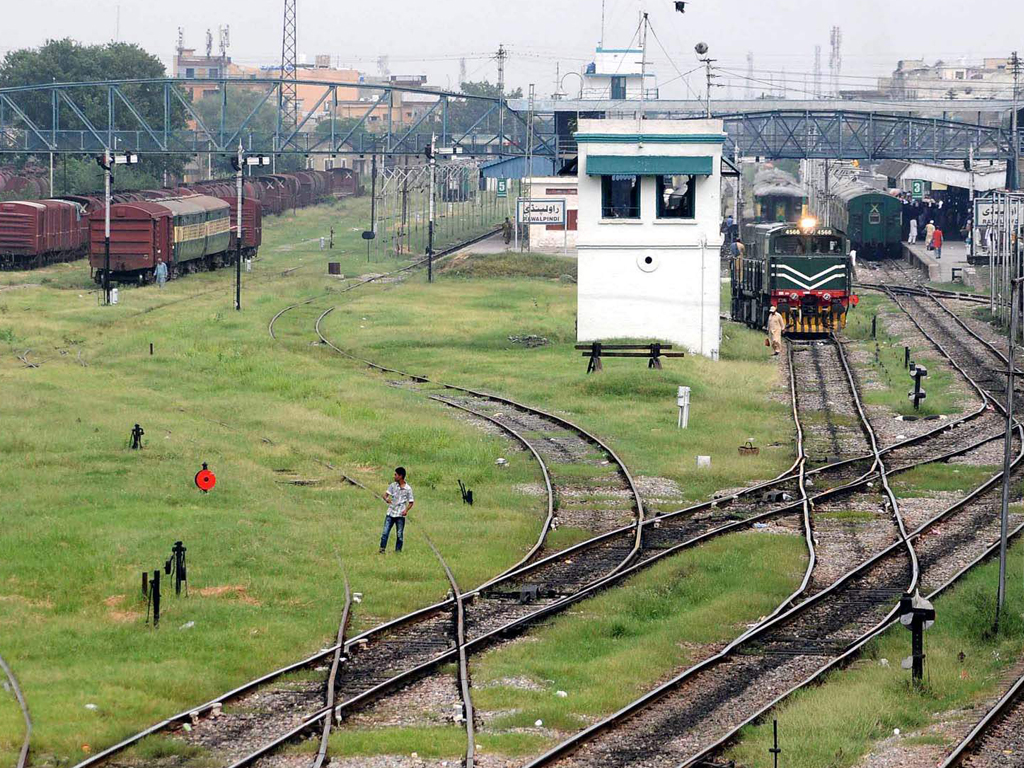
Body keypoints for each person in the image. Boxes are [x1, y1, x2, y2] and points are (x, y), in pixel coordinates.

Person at [379, 467, 414, 554]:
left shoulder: (408, 489)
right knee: (385, 532)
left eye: (396, 475)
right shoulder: (393, 485)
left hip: (400, 514)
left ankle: (398, 551)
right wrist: (387, 499)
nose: (394, 476)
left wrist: (406, 510)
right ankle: (382, 549)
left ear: (401, 476)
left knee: (399, 535)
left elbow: (411, 502)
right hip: (390, 512)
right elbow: (385, 495)